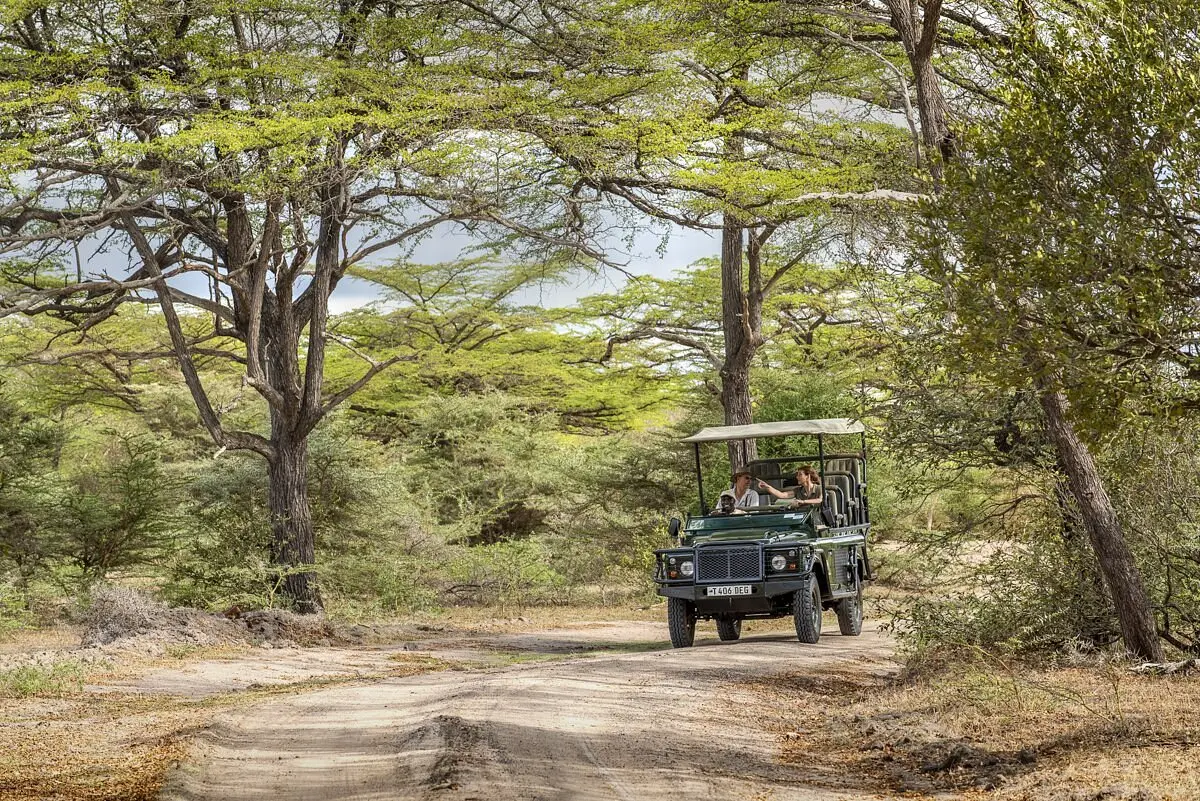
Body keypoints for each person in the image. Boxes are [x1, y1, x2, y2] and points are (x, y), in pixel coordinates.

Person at [758, 466, 824, 512]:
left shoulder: (819, 488)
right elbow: (782, 495)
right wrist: (767, 486)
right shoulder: (798, 490)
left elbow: (820, 500)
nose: (797, 477)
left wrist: (803, 501)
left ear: (808, 476)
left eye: (800, 475)